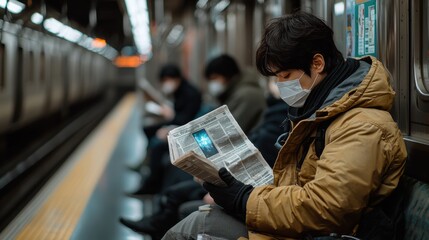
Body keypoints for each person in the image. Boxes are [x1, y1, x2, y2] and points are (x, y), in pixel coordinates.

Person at [162, 11, 407, 240]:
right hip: (298, 227)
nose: (280, 85)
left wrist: (245, 199)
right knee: (201, 216)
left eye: (285, 76)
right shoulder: (318, 113)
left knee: (195, 225)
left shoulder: (362, 125)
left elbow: (328, 207)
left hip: (320, 233)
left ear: (317, 64)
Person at [119, 79, 289, 239]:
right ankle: (156, 220)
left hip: (255, 199)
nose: (277, 82)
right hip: (249, 193)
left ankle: (157, 223)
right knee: (176, 186)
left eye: (284, 75)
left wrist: (234, 197)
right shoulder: (274, 112)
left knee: (188, 210)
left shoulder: (260, 104)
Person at [131, 63, 202, 195]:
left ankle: (152, 184)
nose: (166, 84)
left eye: (167, 80)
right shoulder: (180, 91)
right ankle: (146, 163)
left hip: (186, 131)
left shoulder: (190, 93)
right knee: (149, 129)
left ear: (176, 79)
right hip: (179, 125)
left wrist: (169, 128)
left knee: (158, 145)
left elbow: (186, 120)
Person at [205, 54, 266, 134]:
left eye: (215, 78)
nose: (213, 83)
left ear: (227, 75)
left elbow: (229, 130)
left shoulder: (246, 95)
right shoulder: (235, 92)